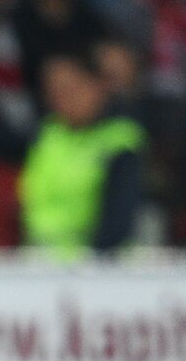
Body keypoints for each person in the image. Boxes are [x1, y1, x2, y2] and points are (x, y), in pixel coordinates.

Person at [18, 53, 144, 260]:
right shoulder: (47, 134)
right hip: (39, 262)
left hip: (97, 267)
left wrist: (94, 265)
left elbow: (119, 216)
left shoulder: (120, 139)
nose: (62, 99)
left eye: (71, 89)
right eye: (54, 91)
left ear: (97, 86)